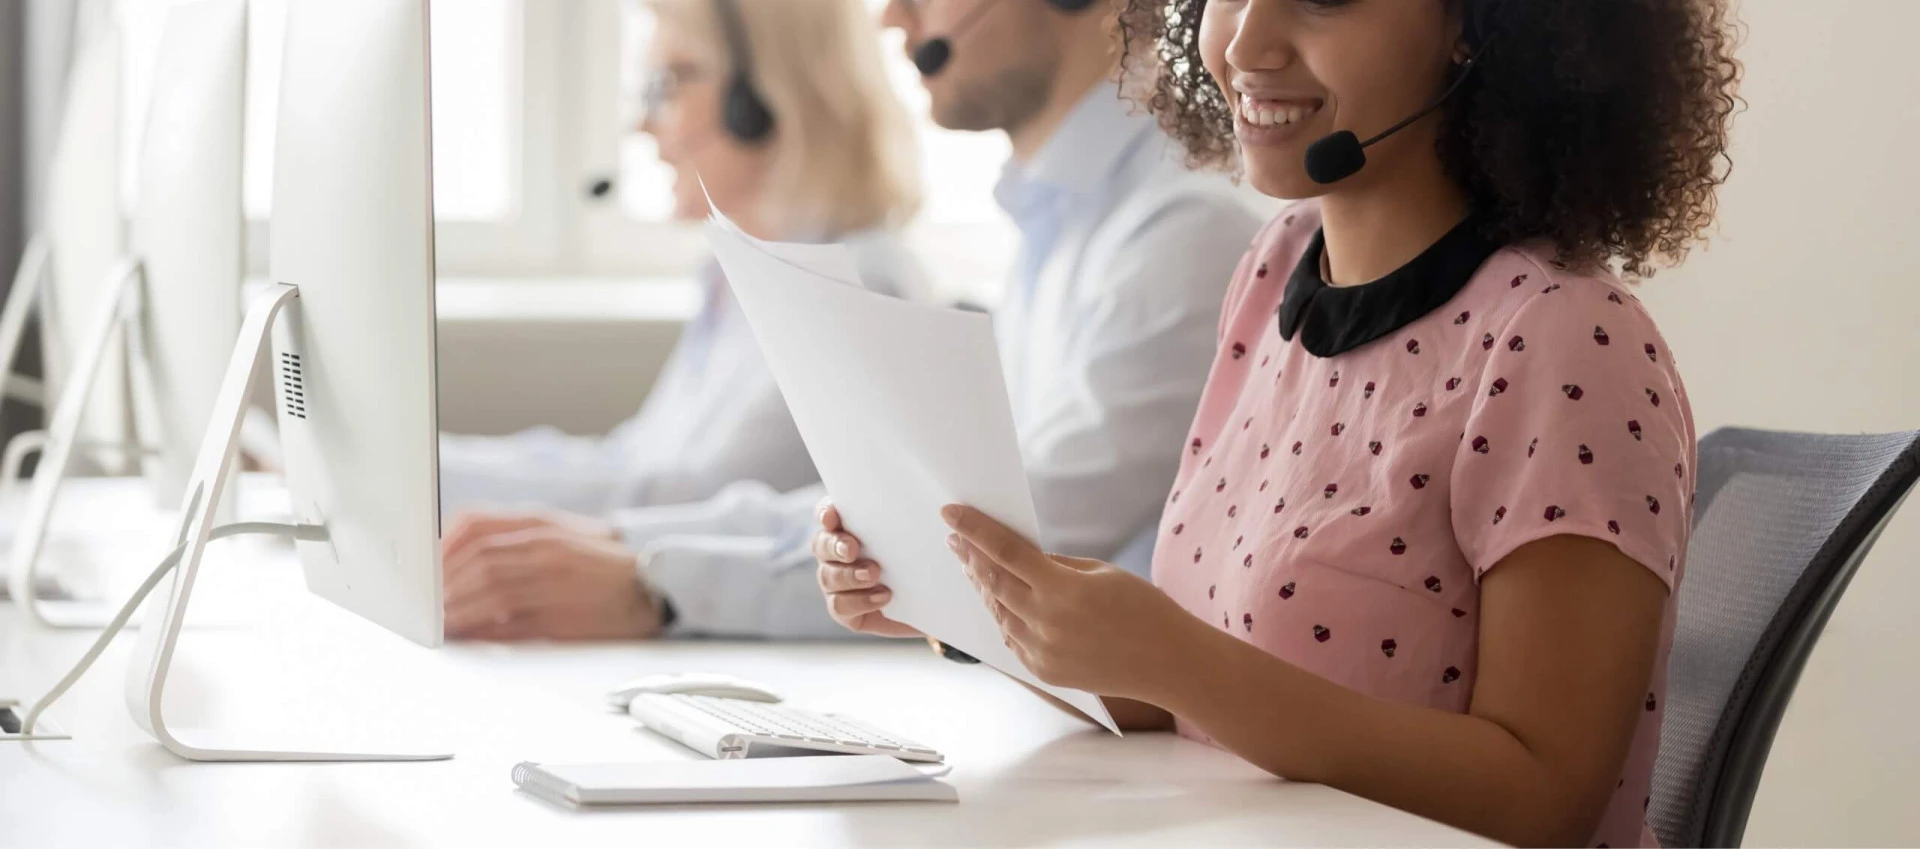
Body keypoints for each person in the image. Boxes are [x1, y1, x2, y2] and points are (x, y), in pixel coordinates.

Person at [815, 0, 1741, 846]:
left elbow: (1546, 798)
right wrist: (969, 601)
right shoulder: (1277, 269)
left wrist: (1178, 660)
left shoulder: (1563, 342)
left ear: (1479, 25)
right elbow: (1204, 696)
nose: (1247, 44)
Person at [437, 0, 1262, 641]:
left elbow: (1002, 539)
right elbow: (918, 509)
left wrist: (654, 574)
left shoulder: (1178, 236)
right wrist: (629, 549)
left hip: (1122, 749)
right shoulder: (1065, 232)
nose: (892, 18)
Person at [435, 0, 927, 519]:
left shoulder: (855, 288)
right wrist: (427, 461)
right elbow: (631, 460)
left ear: (758, 101)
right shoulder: (739, 275)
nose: (643, 125)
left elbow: (691, 504)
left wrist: (429, 482)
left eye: (666, 85)